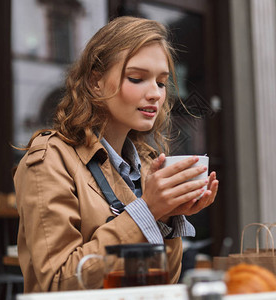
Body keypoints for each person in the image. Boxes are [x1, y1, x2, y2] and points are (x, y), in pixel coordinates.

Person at [13, 16, 219, 293]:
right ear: (95, 82)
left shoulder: (147, 164)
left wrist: (167, 217)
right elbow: (58, 283)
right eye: (136, 78)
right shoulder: (50, 159)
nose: (155, 94)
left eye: (161, 83)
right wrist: (148, 210)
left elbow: (163, 282)